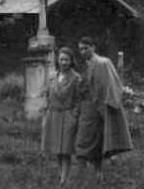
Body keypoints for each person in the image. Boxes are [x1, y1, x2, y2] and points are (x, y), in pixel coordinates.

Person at [75, 36, 133, 180]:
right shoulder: (82, 66)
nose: (83, 51)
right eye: (80, 49)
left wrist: (110, 103)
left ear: (93, 47)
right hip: (87, 107)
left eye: (86, 48)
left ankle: (98, 170)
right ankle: (81, 172)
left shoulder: (103, 62)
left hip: (102, 106)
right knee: (82, 137)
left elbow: (113, 83)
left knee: (99, 138)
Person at [41, 46, 82, 186]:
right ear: (57, 61)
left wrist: (74, 116)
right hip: (54, 116)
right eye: (61, 59)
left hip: (67, 116)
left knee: (66, 150)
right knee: (57, 150)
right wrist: (46, 112)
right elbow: (47, 95)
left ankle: (64, 180)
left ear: (71, 61)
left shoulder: (76, 78)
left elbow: (78, 100)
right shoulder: (52, 77)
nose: (63, 62)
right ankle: (61, 176)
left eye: (66, 60)